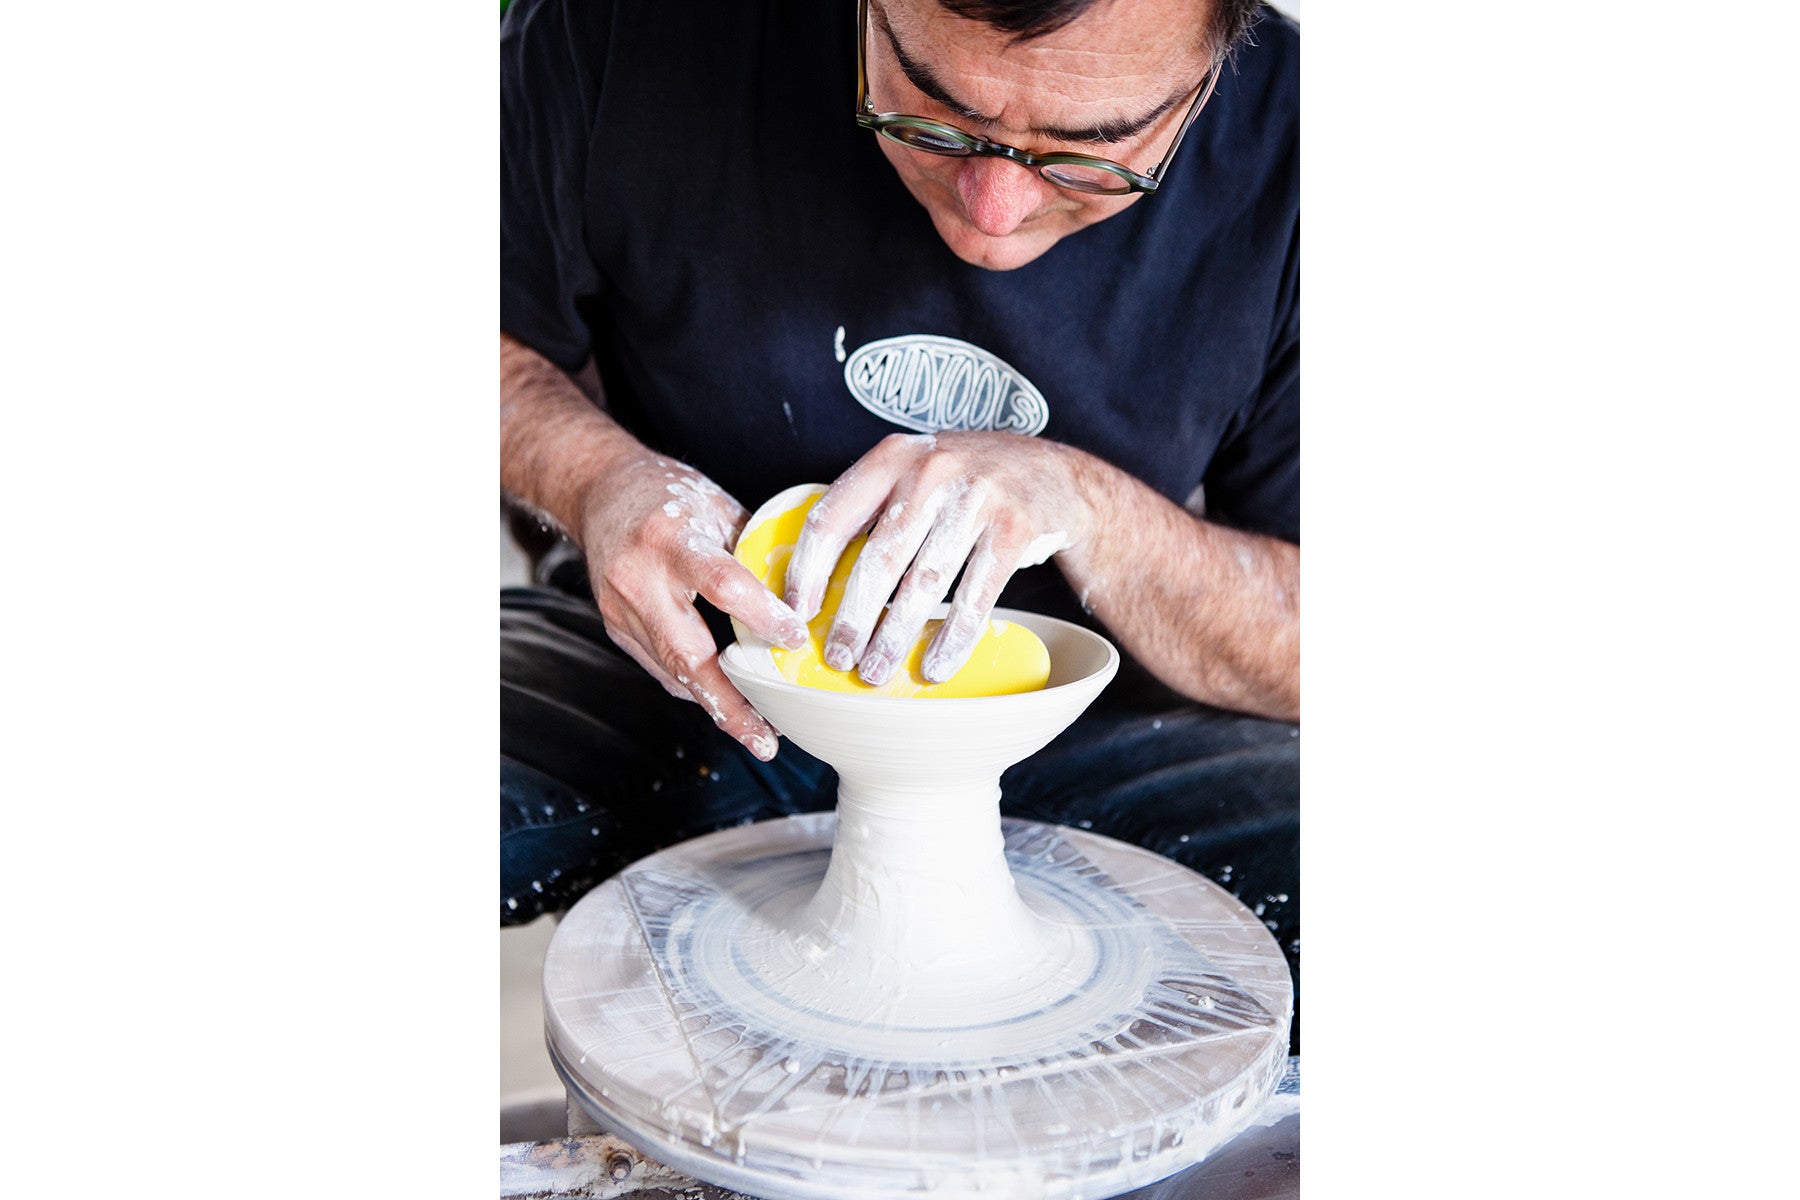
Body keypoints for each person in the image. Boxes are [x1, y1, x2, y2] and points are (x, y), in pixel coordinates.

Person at [500, 0, 1299, 1041]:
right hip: (681, 659)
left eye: (1091, 153)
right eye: (933, 112)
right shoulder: (620, 27)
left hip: (1082, 713)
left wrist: (1093, 508)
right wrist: (599, 477)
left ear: (1211, 65)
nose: (994, 215)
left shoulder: (1301, 155)